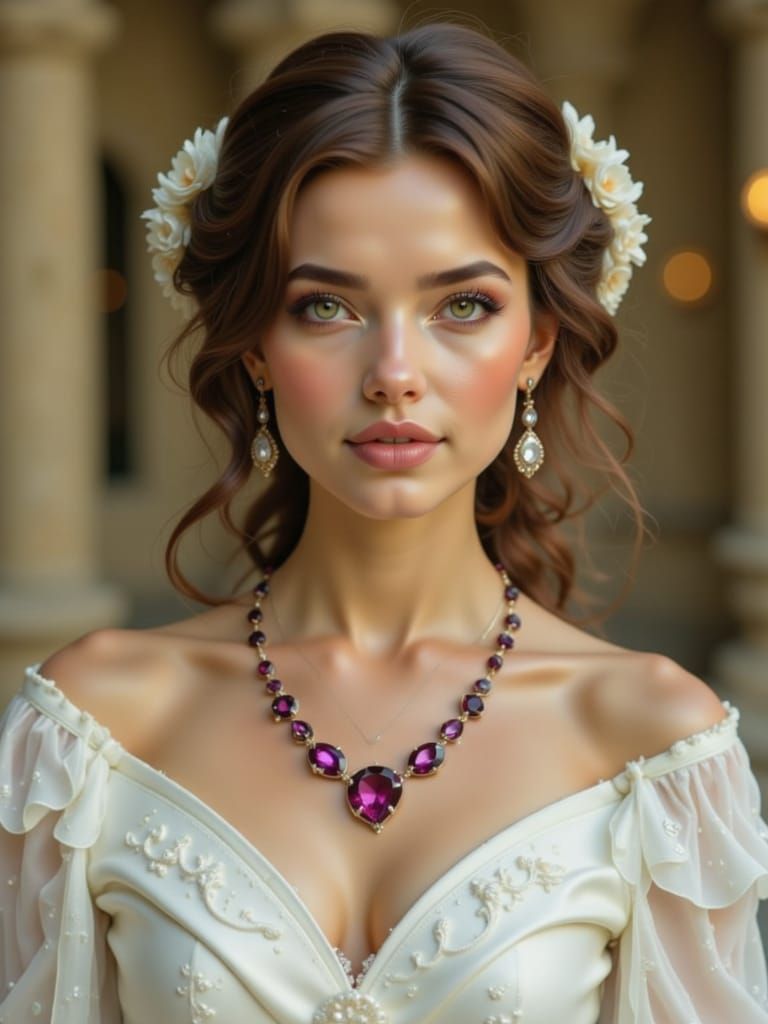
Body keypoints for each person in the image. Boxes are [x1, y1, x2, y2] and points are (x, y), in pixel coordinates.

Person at [1, 19, 767, 1024]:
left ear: (537, 340)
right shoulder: (92, 733)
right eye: (326, 306)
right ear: (258, 347)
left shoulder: (653, 749)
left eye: (462, 306)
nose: (395, 374)